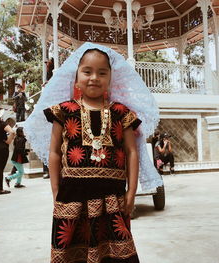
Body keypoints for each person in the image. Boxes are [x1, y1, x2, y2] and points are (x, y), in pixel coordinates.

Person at [24, 43, 161, 262]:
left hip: (113, 197)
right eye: (87, 71)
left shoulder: (121, 113)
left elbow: (131, 152)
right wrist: (56, 190)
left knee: (117, 253)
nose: (94, 77)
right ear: (76, 77)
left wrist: (131, 192)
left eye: (102, 72)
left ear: (110, 78)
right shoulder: (63, 111)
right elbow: (55, 153)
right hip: (72, 196)